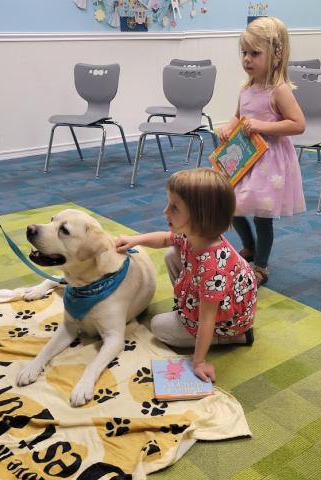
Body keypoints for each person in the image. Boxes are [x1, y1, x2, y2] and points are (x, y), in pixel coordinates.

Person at [116, 168, 257, 382]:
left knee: (158, 326)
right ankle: (188, 308)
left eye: (174, 207)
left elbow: (207, 319)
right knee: (172, 253)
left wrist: (199, 361)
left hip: (227, 321)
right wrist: (136, 240)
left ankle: (233, 338)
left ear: (201, 216)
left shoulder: (212, 269)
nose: (165, 212)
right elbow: (165, 239)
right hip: (219, 298)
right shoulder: (197, 234)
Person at [217, 16, 306, 287]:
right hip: (245, 159)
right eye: (244, 53)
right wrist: (228, 126)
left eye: (255, 53)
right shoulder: (247, 88)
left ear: (276, 56)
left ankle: (262, 265)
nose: (247, 59)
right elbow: (238, 116)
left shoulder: (279, 90)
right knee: (232, 207)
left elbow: (298, 124)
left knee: (262, 216)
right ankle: (250, 246)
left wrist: (262, 125)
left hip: (269, 162)